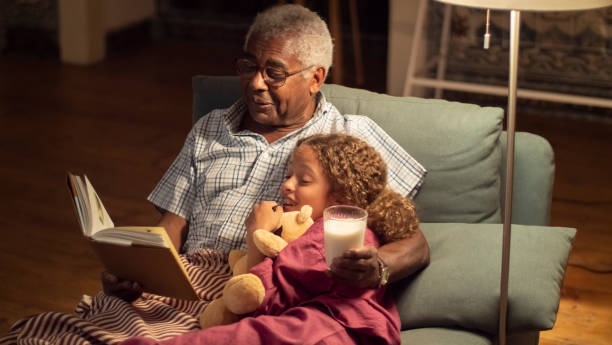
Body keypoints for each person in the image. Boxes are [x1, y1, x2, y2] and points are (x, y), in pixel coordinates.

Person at [104, 3, 429, 301]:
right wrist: (137, 267)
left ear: (315, 78)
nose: (255, 83)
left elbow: (414, 243)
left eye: (273, 73)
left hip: (269, 296)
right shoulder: (210, 127)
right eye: (248, 66)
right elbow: (172, 226)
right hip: (188, 287)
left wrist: (380, 267)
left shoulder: (348, 138)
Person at [122, 133, 419, 345]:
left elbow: (265, 299)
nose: (287, 186)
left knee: (237, 337)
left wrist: (256, 234)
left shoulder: (327, 235)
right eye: (288, 176)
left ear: (341, 195)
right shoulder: (340, 231)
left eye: (303, 180)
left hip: (326, 328)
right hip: (331, 326)